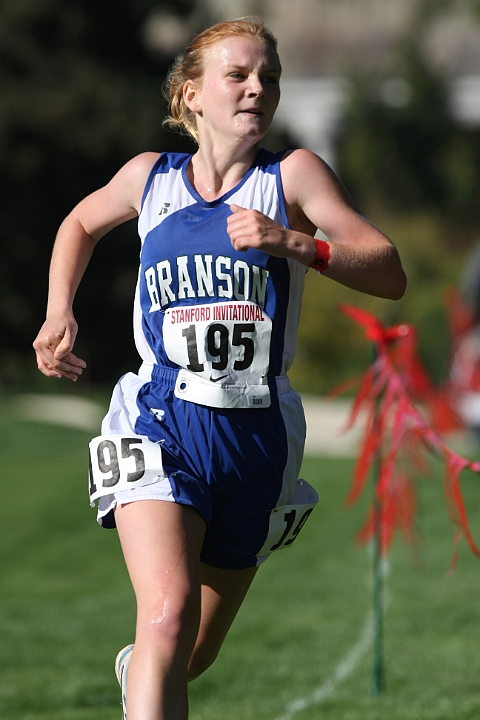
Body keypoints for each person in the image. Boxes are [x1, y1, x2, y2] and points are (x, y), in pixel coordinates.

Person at [33, 17, 407, 720]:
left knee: (190, 649)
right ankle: (150, 658)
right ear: (192, 95)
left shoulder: (290, 177)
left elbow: (388, 271)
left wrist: (296, 242)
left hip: (256, 439)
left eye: (269, 76)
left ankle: (138, 668)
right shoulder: (150, 178)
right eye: (238, 74)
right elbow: (79, 224)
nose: (257, 89)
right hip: (160, 419)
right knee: (167, 616)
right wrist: (59, 311)